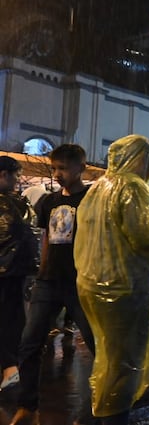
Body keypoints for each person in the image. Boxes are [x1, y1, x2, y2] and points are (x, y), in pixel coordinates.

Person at [73, 134, 149, 425]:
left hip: (94, 285)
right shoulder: (133, 188)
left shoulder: (97, 189)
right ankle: (113, 418)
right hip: (126, 289)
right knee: (124, 364)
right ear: (142, 160)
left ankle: (104, 412)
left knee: (109, 358)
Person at [11, 145, 97, 425]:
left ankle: (102, 404)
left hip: (80, 282)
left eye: (63, 168)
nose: (58, 174)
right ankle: (27, 407)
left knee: (98, 345)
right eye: (55, 168)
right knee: (29, 344)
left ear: (80, 168)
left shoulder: (92, 200)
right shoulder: (48, 202)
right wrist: (42, 272)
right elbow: (47, 238)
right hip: (48, 282)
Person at [0, 156, 35, 394]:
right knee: (11, 318)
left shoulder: (11, 203)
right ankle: (11, 367)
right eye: (15, 175)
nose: (17, 180)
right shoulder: (13, 204)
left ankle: (10, 368)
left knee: (8, 318)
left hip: (9, 272)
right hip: (12, 272)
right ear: (5, 175)